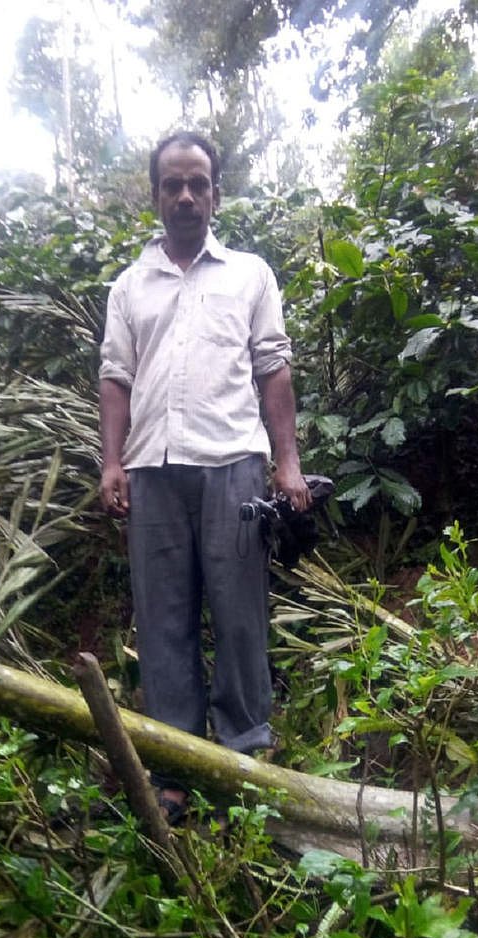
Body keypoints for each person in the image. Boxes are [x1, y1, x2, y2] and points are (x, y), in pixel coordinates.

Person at [98, 131, 310, 823]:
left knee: (241, 612)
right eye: (171, 185)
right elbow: (115, 379)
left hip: (234, 464)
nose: (185, 196)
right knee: (163, 622)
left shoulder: (250, 274)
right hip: (154, 467)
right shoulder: (129, 286)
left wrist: (287, 463)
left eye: (198, 184)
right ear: (155, 195)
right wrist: (111, 461)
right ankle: (175, 763)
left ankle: (245, 753)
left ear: (216, 193)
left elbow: (272, 366)